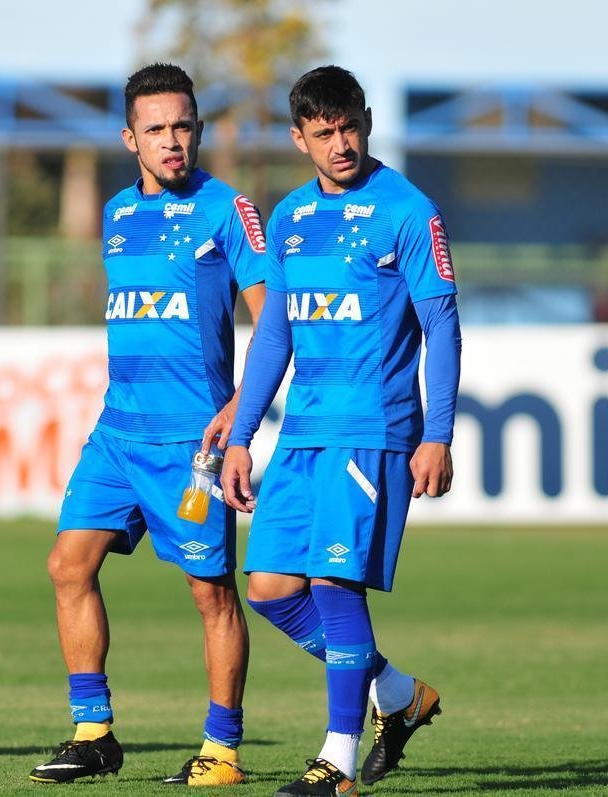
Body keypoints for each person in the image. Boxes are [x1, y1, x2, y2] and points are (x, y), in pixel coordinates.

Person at [222, 65, 462, 796]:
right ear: (300, 138)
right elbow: (274, 337)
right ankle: (393, 692)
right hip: (300, 435)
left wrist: (438, 432)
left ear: (364, 120)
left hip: (375, 429)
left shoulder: (407, 210)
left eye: (350, 126)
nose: (341, 144)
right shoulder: (291, 217)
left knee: (333, 579)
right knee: (267, 586)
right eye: (323, 133)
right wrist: (242, 433)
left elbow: (442, 324)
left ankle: (338, 761)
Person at [29, 63, 267, 787]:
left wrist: (238, 414)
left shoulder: (228, 209)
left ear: (198, 130)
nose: (173, 141)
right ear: (129, 137)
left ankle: (221, 750)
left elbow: (272, 319)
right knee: (68, 565)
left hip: (189, 443)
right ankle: (94, 731)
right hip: (116, 434)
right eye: (157, 128)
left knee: (210, 592)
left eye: (184, 126)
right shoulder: (116, 214)